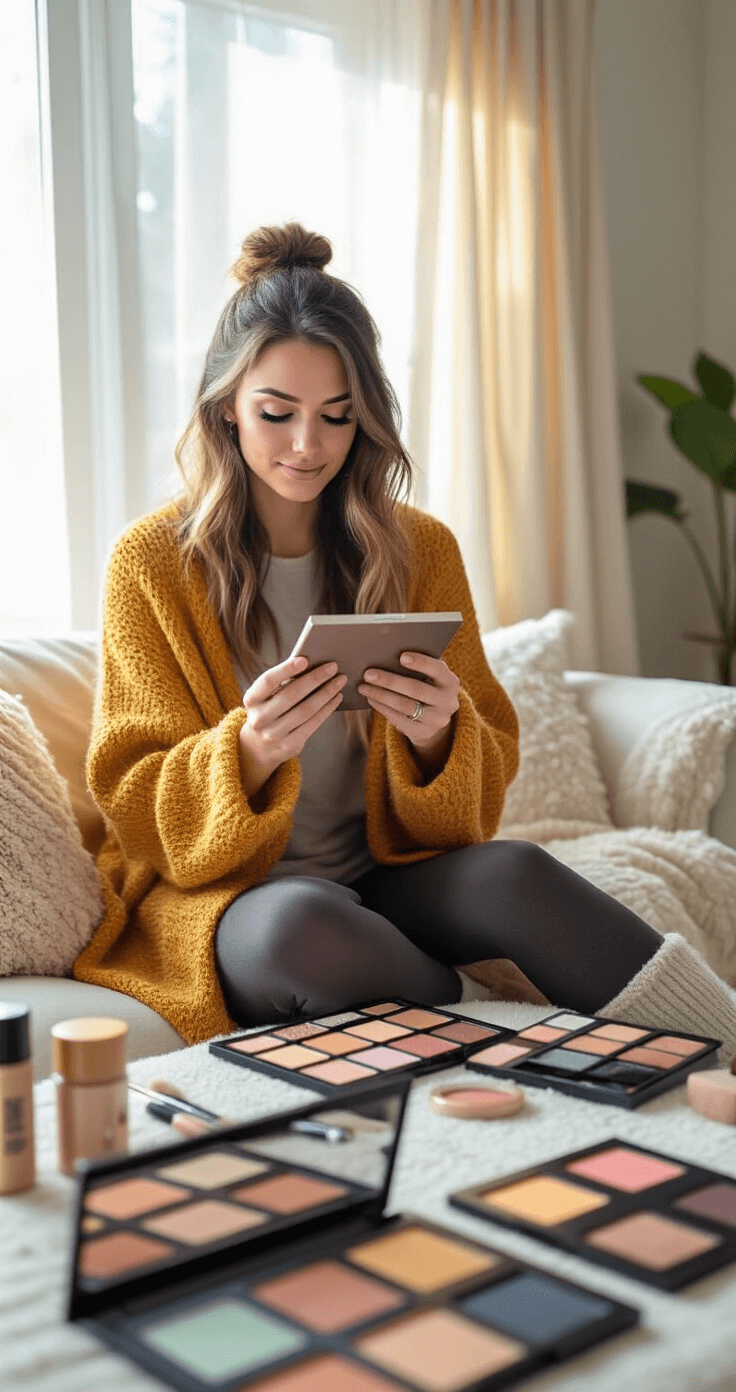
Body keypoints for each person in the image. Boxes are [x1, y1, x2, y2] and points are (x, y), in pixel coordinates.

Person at [74, 222, 736, 1062]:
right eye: (276, 414)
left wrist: (437, 736)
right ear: (225, 409)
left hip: (388, 878)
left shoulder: (419, 550)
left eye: (336, 417)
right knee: (303, 930)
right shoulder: (151, 566)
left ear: (365, 421)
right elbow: (131, 804)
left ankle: (724, 1046)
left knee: (517, 874)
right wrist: (246, 751)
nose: (307, 446)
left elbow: (481, 785)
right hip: (237, 900)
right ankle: (501, 1035)